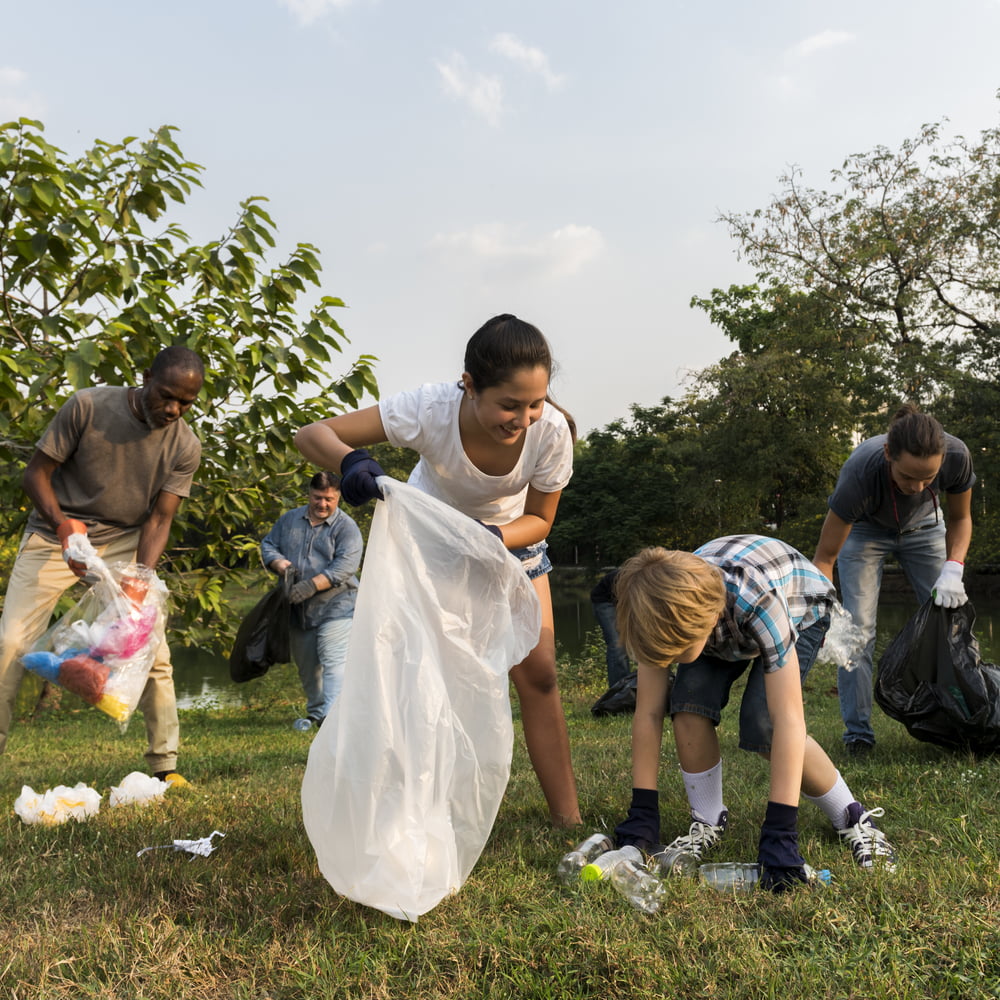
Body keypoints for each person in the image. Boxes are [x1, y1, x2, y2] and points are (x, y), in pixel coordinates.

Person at [294, 313, 581, 827]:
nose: (523, 419)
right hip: (432, 546)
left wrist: (490, 537)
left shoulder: (550, 432)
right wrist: (353, 462)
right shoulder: (430, 408)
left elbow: (540, 520)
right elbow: (312, 434)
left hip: (509, 543)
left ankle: (569, 819)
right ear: (469, 386)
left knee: (538, 674)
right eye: (509, 405)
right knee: (428, 677)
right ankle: (415, 810)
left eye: (535, 403)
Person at [612, 536, 897, 892]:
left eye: (676, 651)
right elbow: (648, 713)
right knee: (686, 707)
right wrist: (642, 813)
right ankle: (708, 820)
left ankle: (854, 818)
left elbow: (789, 721)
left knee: (763, 725)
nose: (667, 660)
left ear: (704, 623)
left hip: (798, 605)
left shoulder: (760, 602)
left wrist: (781, 833)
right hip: (715, 618)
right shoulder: (652, 611)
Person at [0, 345, 204, 785]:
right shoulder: (88, 406)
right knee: (10, 643)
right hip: (54, 534)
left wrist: (141, 578)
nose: (173, 409)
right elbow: (35, 473)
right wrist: (62, 525)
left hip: (126, 543)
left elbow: (160, 518)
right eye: (166, 395)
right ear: (145, 375)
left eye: (185, 403)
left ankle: (165, 767)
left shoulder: (185, 445)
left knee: (156, 654)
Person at [813, 404, 976, 757]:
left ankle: (962, 722)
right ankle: (858, 735)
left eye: (927, 480)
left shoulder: (957, 456)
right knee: (859, 630)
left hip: (926, 528)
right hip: (866, 531)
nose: (916, 486)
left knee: (949, 625)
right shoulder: (860, 474)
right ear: (889, 454)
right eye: (907, 478)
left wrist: (954, 567)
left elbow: (961, 517)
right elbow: (825, 557)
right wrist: (828, 612)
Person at [260, 471, 363, 728]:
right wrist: (279, 563)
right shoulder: (289, 520)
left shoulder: (347, 528)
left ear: (338, 498)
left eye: (329, 499)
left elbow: (345, 567)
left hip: (338, 604)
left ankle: (333, 718)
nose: (323, 504)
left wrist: (310, 585)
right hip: (297, 608)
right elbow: (268, 545)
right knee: (307, 668)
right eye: (318, 498)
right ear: (309, 494)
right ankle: (316, 713)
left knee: (333, 660)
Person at [590, 569, 633, 687]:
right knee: (617, 645)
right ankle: (618, 690)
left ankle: (633, 686)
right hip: (605, 601)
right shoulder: (636, 577)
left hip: (621, 599)